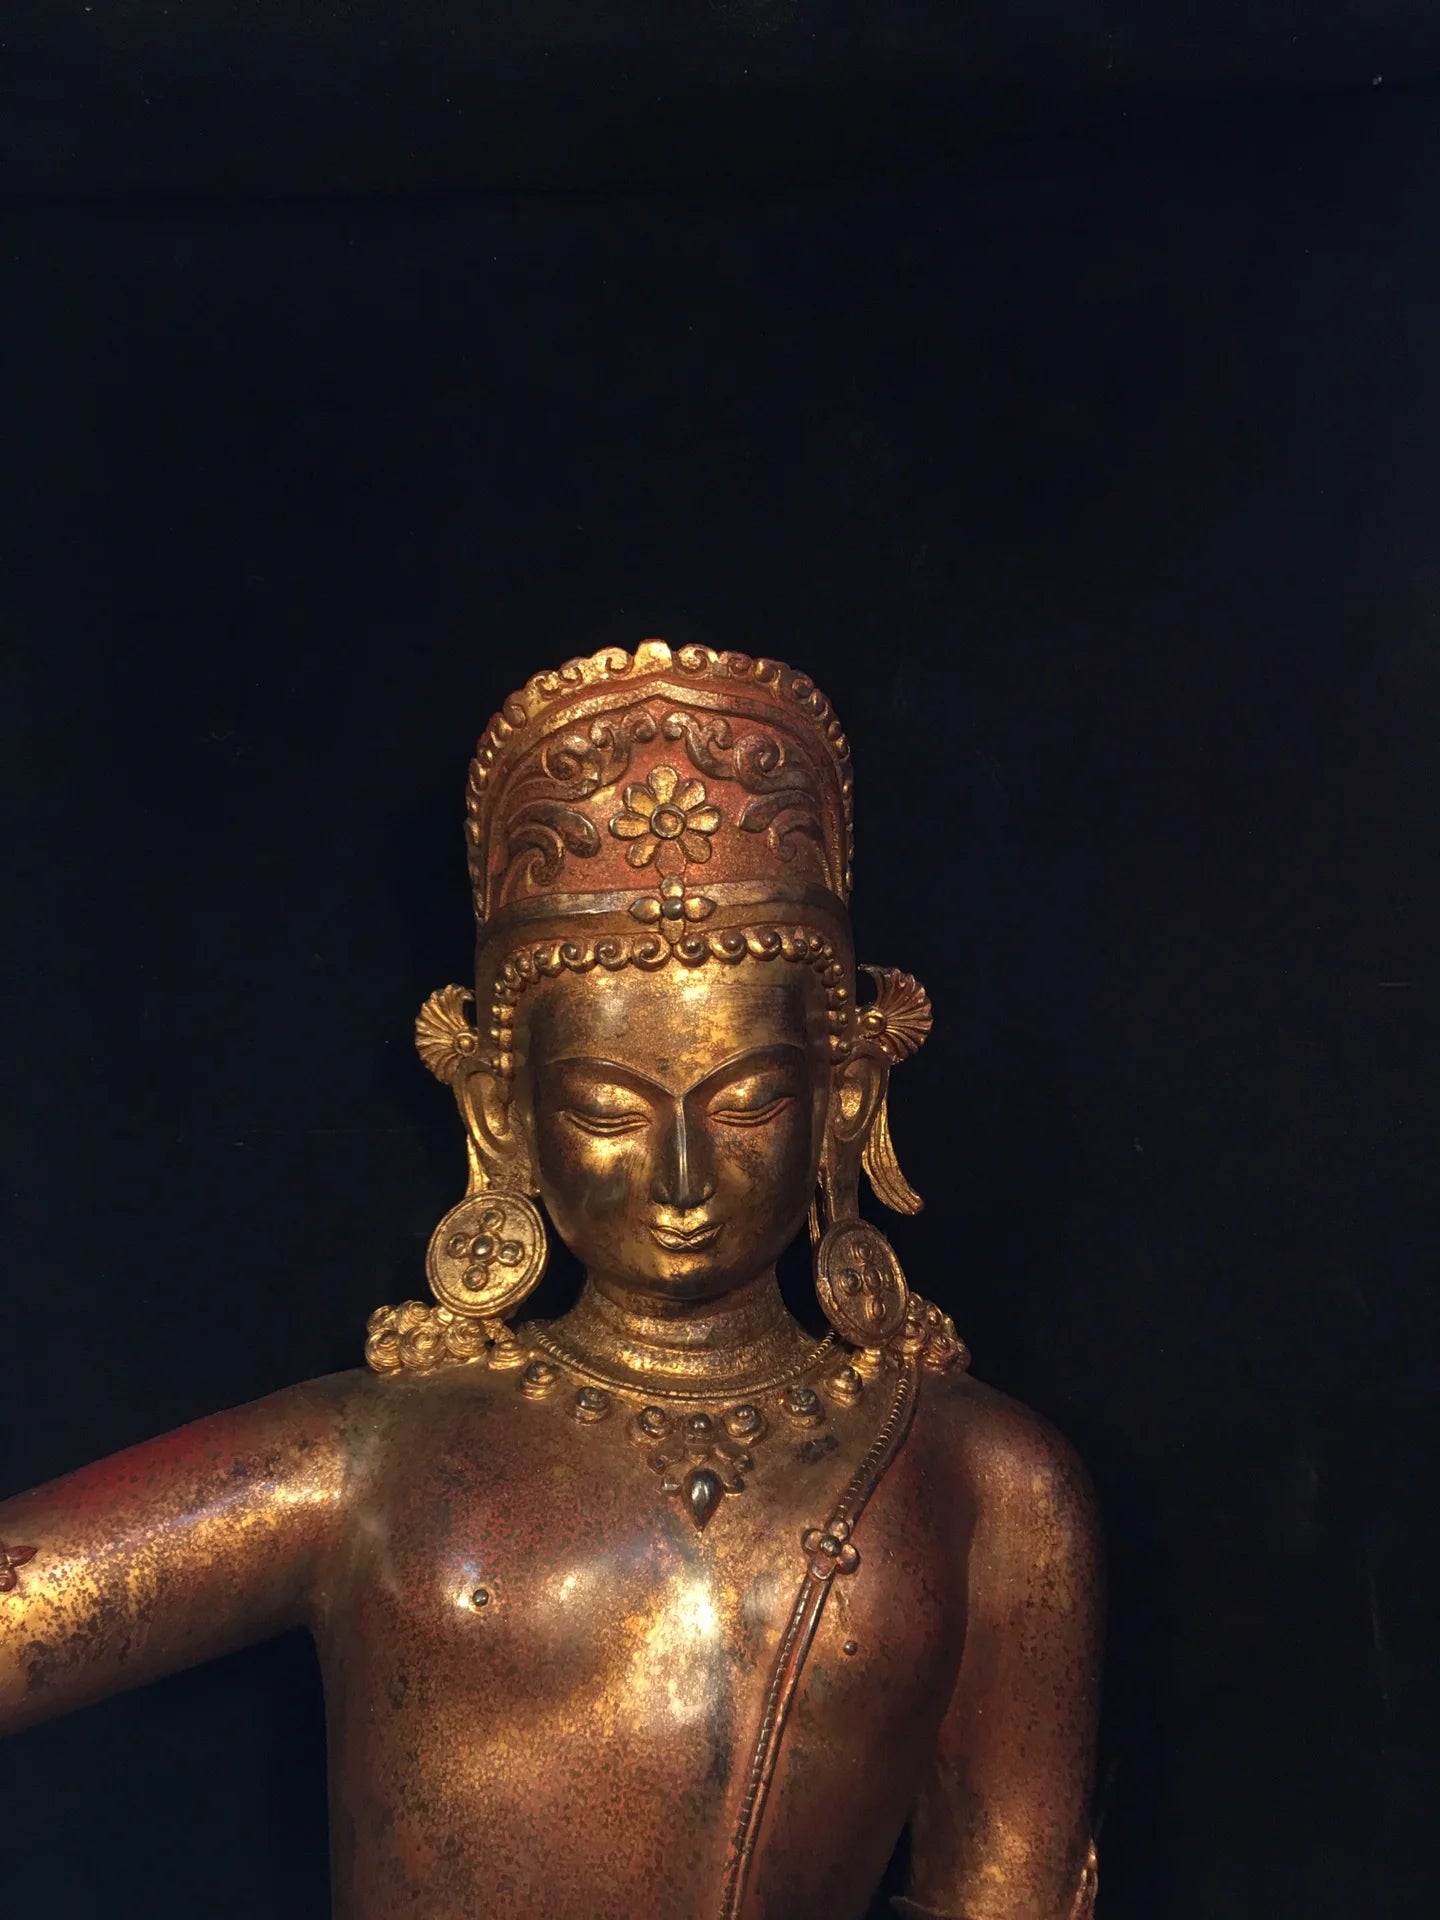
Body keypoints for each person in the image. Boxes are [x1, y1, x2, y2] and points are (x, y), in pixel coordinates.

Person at [0, 641, 1102, 1919]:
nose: (681, 1174)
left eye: (746, 1102)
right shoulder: (374, 1459)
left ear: (843, 1102)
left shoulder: (984, 1481)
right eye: (608, 1109)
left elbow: (1010, 1890)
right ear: (502, 1115)